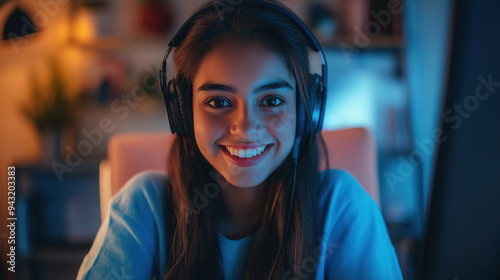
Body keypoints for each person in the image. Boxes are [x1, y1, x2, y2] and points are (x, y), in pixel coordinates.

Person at [77, 1, 403, 279]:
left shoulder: (341, 206)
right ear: (183, 112)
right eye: (219, 102)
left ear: (306, 110)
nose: (245, 128)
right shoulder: (143, 207)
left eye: (272, 100)